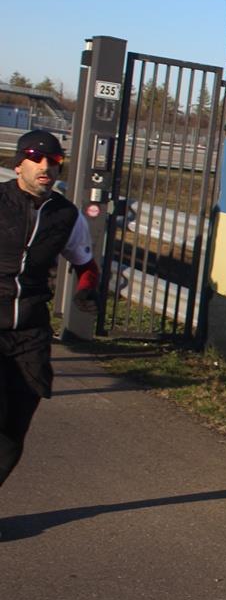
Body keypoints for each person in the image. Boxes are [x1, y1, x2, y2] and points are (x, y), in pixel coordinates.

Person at [0, 130, 99, 497]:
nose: (46, 166)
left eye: (54, 161)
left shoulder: (66, 215)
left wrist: (86, 290)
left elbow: (85, 265)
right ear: (18, 164)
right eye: (36, 158)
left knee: (13, 432)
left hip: (30, 332)